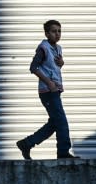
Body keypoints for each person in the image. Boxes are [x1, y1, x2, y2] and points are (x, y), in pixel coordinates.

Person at [16, 20, 79, 159]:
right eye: (53, 31)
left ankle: (26, 143)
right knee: (61, 121)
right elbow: (33, 67)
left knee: (55, 123)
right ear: (46, 33)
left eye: (59, 31)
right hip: (48, 92)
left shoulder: (58, 48)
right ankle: (63, 152)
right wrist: (49, 82)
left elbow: (51, 68)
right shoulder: (43, 48)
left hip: (55, 91)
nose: (57, 34)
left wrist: (61, 64)